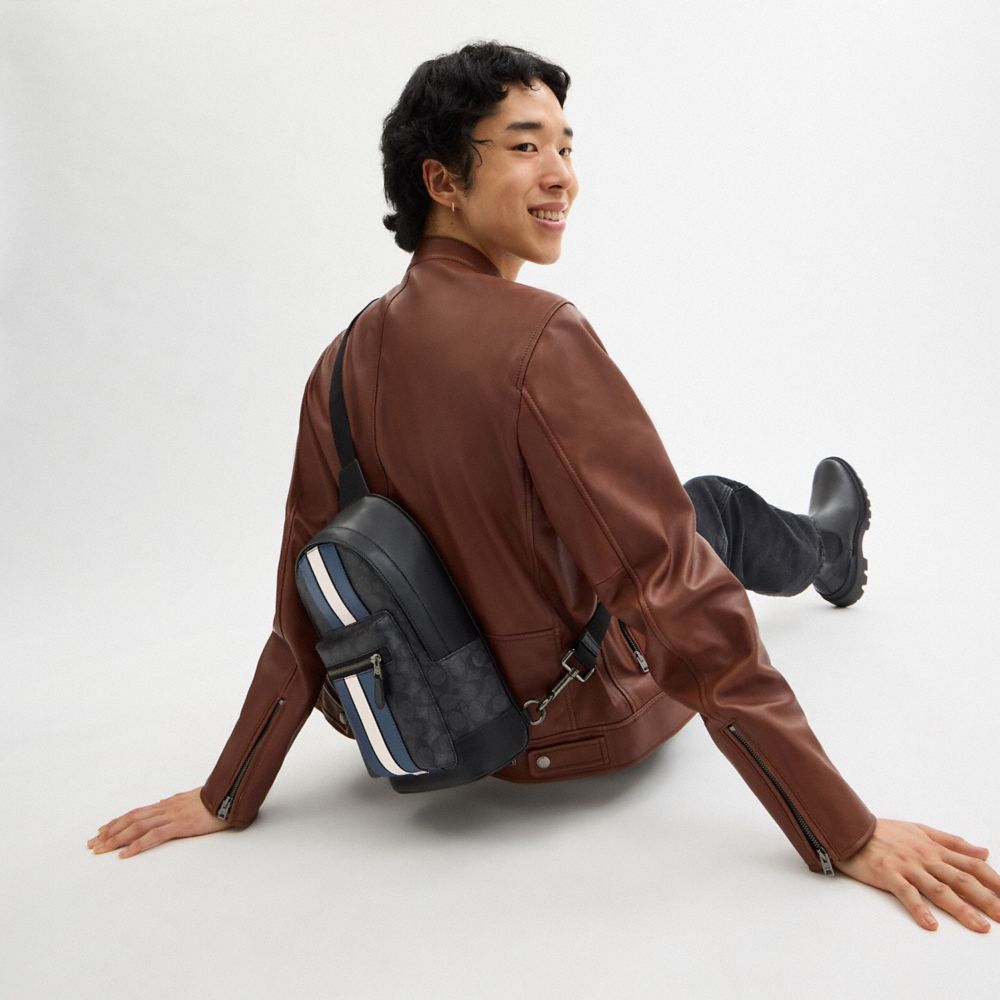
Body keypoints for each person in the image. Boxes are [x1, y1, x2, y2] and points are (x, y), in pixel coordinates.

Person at [87, 41, 999, 934]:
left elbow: (301, 610)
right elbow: (671, 589)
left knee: (678, 513)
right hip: (577, 721)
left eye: (566, 145)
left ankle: (827, 546)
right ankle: (832, 550)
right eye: (526, 146)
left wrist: (229, 793)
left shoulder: (339, 361)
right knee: (706, 509)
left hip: (446, 721)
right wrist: (843, 830)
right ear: (441, 180)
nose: (562, 173)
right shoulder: (540, 334)